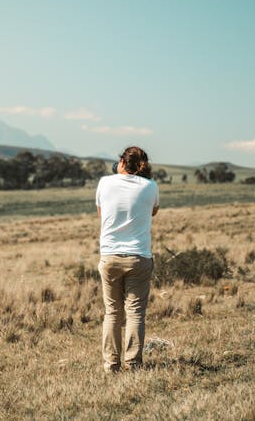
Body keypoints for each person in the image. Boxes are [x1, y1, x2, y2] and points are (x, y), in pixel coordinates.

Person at [95, 146, 159, 373]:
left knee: (112, 312)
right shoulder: (151, 186)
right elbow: (153, 212)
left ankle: (111, 364)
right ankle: (133, 363)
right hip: (139, 257)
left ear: (122, 161)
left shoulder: (104, 182)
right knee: (135, 313)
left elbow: (102, 215)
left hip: (110, 255)